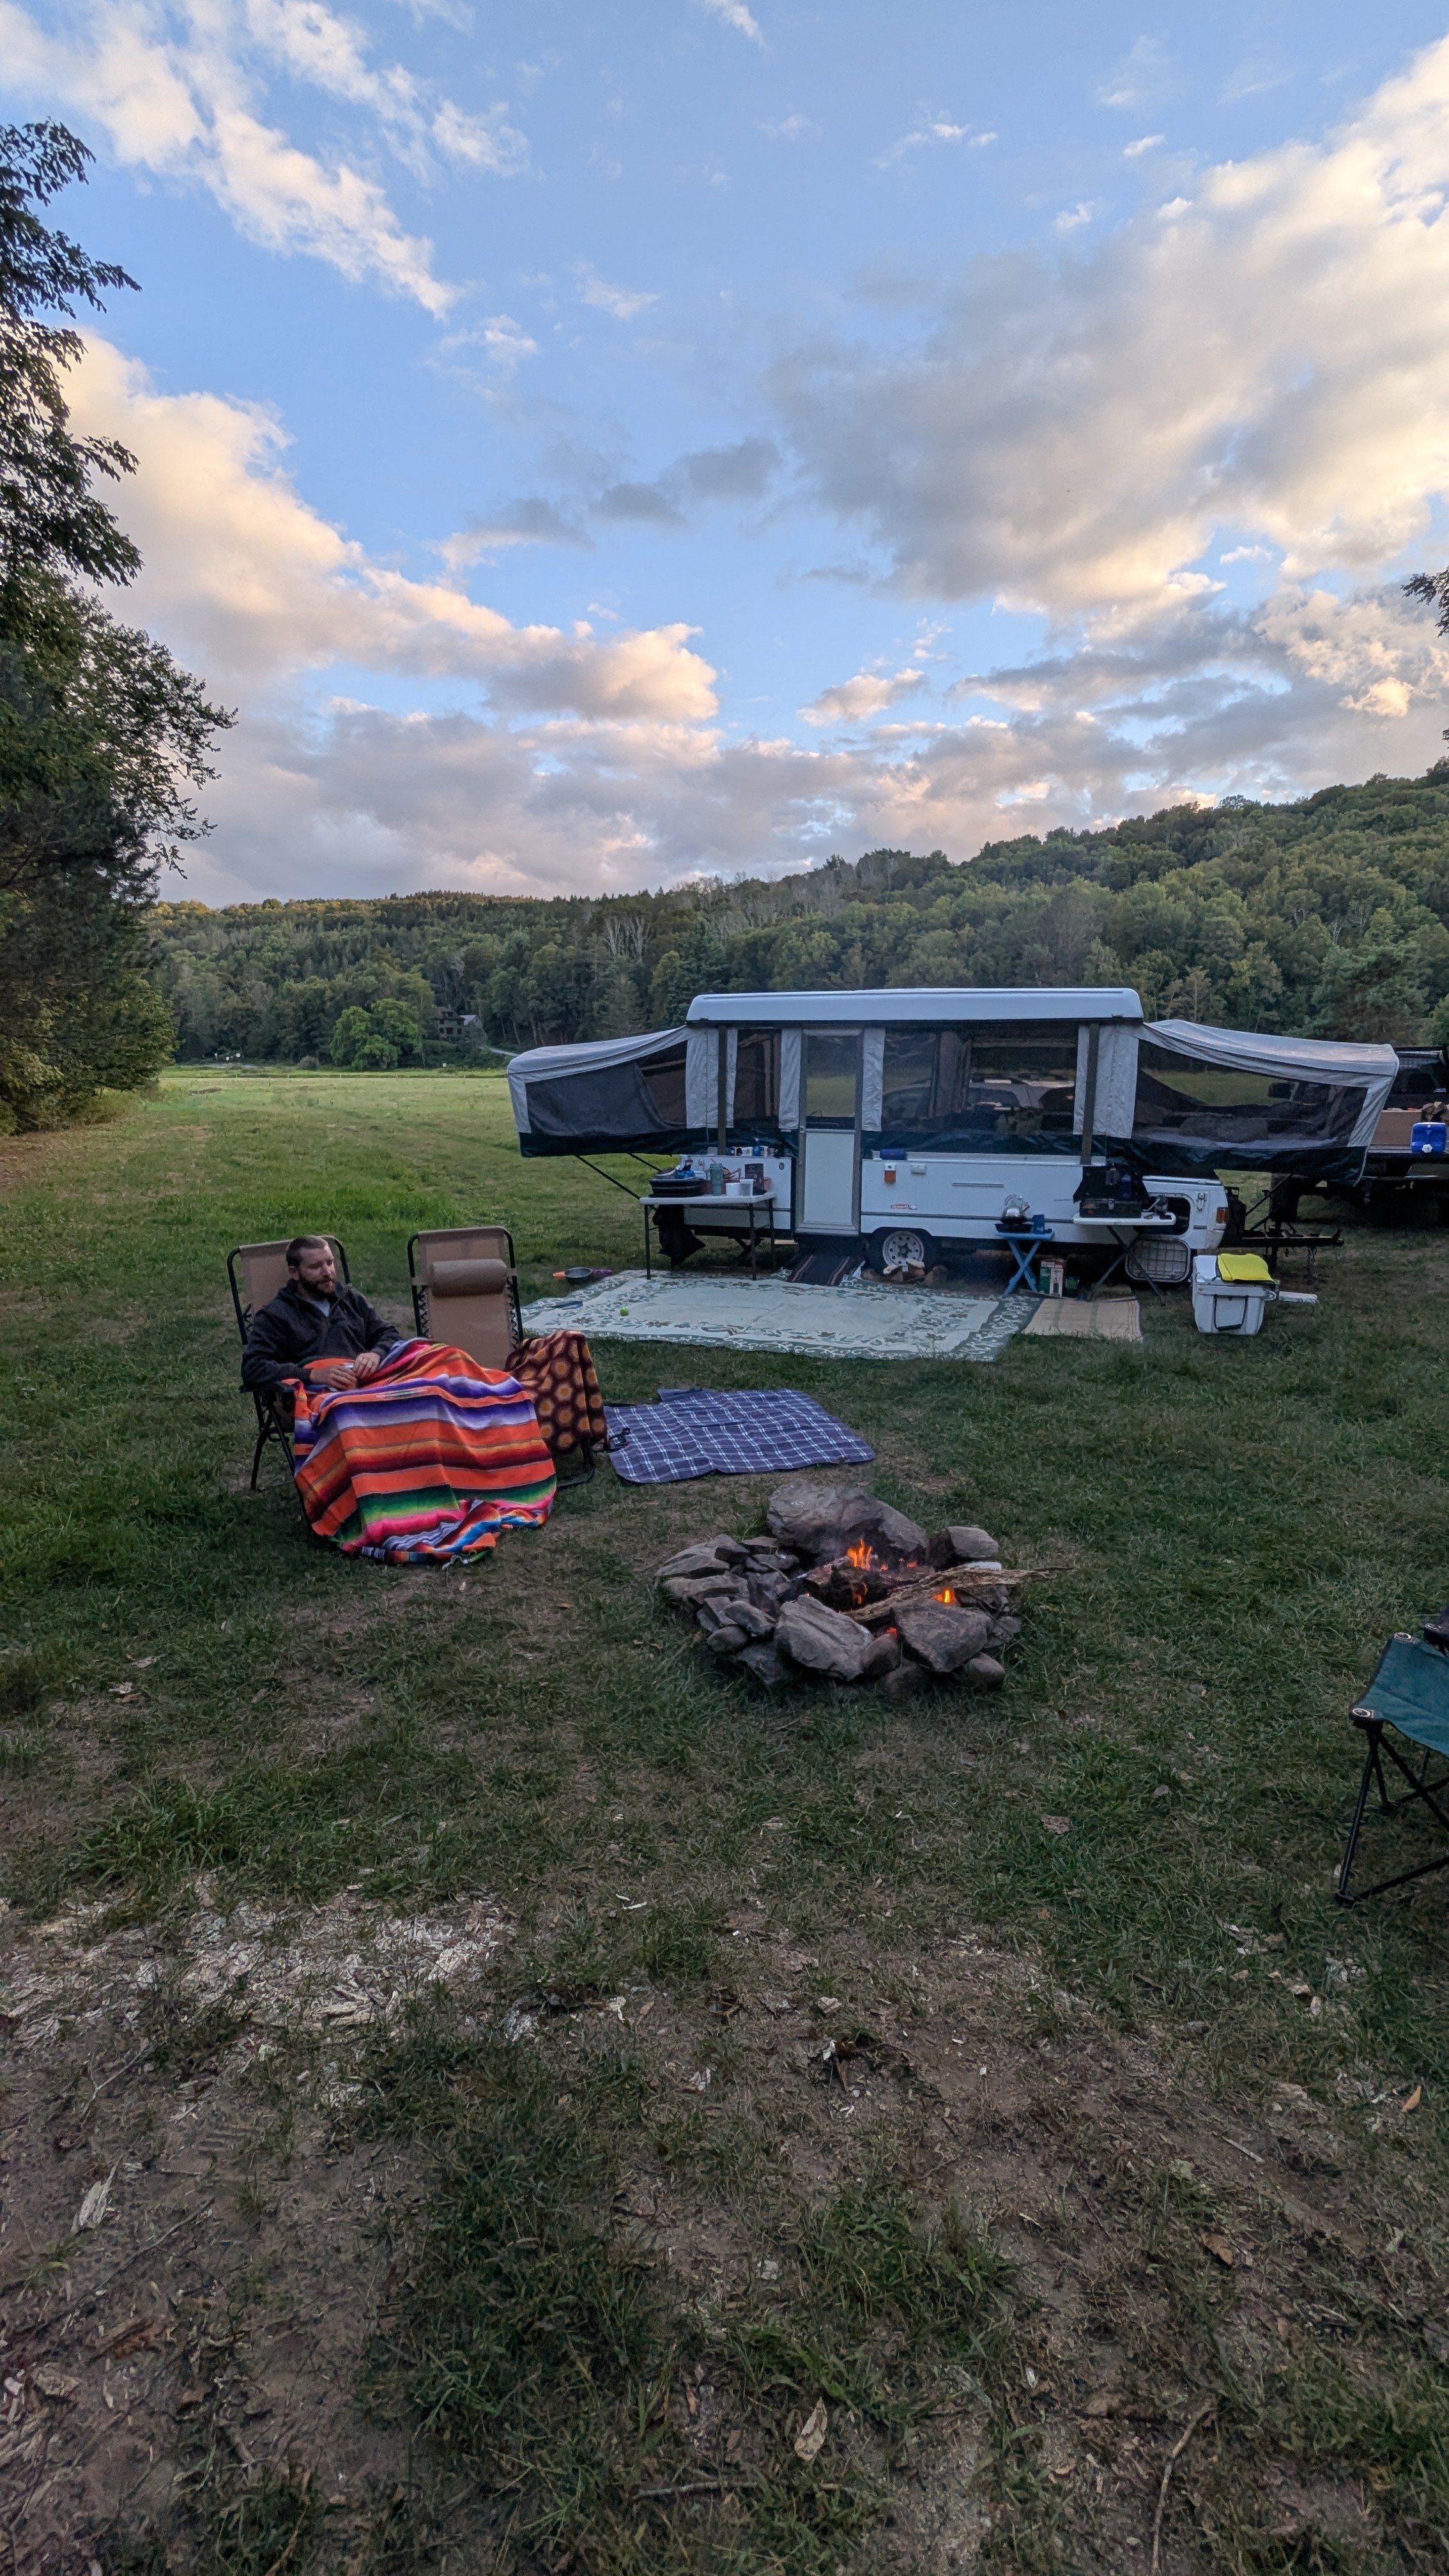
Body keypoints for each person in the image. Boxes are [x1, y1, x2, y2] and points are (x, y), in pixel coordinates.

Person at [241, 1236, 404, 1397]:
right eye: (316, 1266)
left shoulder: (350, 1300)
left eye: (330, 1263)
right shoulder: (276, 1315)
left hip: (368, 1386)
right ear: (294, 1273)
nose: (327, 1272)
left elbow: (390, 1334)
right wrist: (311, 1375)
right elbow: (253, 1368)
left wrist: (376, 1353)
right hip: (318, 1396)